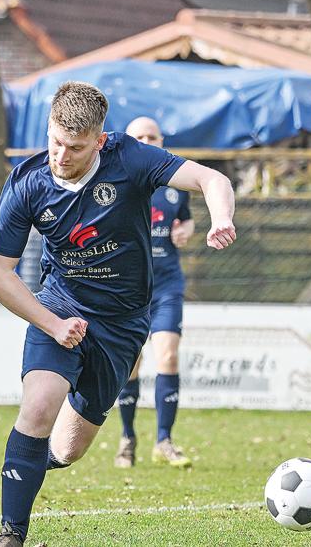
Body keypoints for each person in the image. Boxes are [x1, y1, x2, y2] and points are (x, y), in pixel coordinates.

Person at [0, 81, 235, 546]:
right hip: (62, 306)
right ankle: (10, 534)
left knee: (68, 449)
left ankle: (31, 459)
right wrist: (53, 324)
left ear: (100, 141)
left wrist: (220, 219)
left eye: (75, 148)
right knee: (38, 406)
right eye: (55, 142)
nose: (61, 155)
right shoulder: (27, 184)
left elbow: (212, 180)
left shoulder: (131, 160)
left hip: (123, 324)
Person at [113, 117, 195, 469]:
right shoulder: (117, 181)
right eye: (139, 136)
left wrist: (186, 229)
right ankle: (127, 438)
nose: (146, 140)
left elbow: (187, 217)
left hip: (166, 285)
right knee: (131, 365)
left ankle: (164, 440)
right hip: (130, 288)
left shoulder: (176, 183)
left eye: (152, 136)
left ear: (161, 140)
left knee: (169, 357)